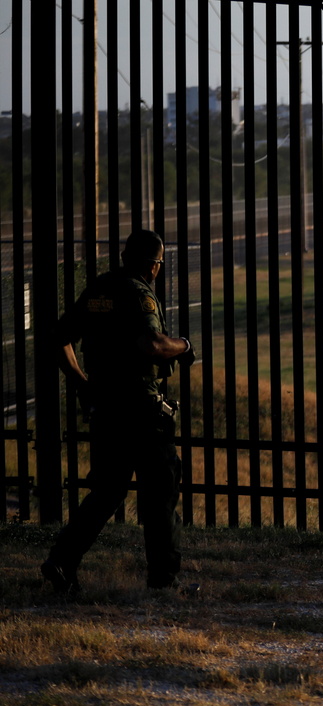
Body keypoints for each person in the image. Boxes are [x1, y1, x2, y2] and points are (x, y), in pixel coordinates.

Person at [41, 229, 197, 595]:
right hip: (141, 409)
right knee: (160, 493)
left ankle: (62, 560)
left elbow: (59, 337)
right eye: (159, 262)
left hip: (106, 407)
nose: (159, 268)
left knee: (106, 493)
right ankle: (163, 580)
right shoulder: (139, 294)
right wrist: (184, 345)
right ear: (153, 264)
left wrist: (82, 384)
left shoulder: (99, 289)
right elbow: (152, 344)